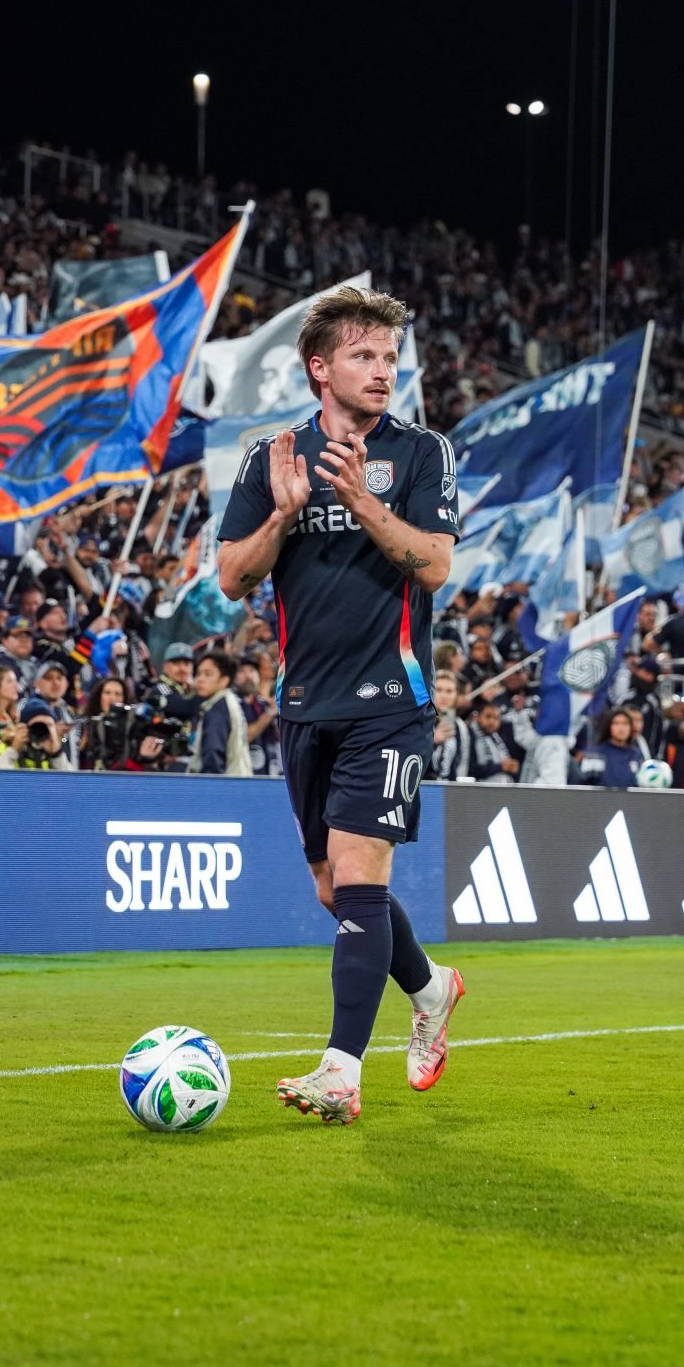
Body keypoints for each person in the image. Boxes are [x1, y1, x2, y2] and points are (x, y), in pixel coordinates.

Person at [213, 284, 464, 1123]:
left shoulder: (421, 453)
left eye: (390, 356)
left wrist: (361, 500)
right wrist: (284, 516)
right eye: (364, 354)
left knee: (359, 874)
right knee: (331, 888)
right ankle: (431, 989)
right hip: (302, 705)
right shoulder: (270, 458)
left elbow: (433, 566)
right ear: (320, 367)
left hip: (392, 701)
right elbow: (232, 577)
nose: (383, 370)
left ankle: (340, 1071)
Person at [189, 649, 251, 775]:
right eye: (198, 673)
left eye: (208, 674)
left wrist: (211, 792)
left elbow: (213, 761)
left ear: (224, 680)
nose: (200, 679)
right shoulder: (229, 701)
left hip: (224, 790)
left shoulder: (218, 709)